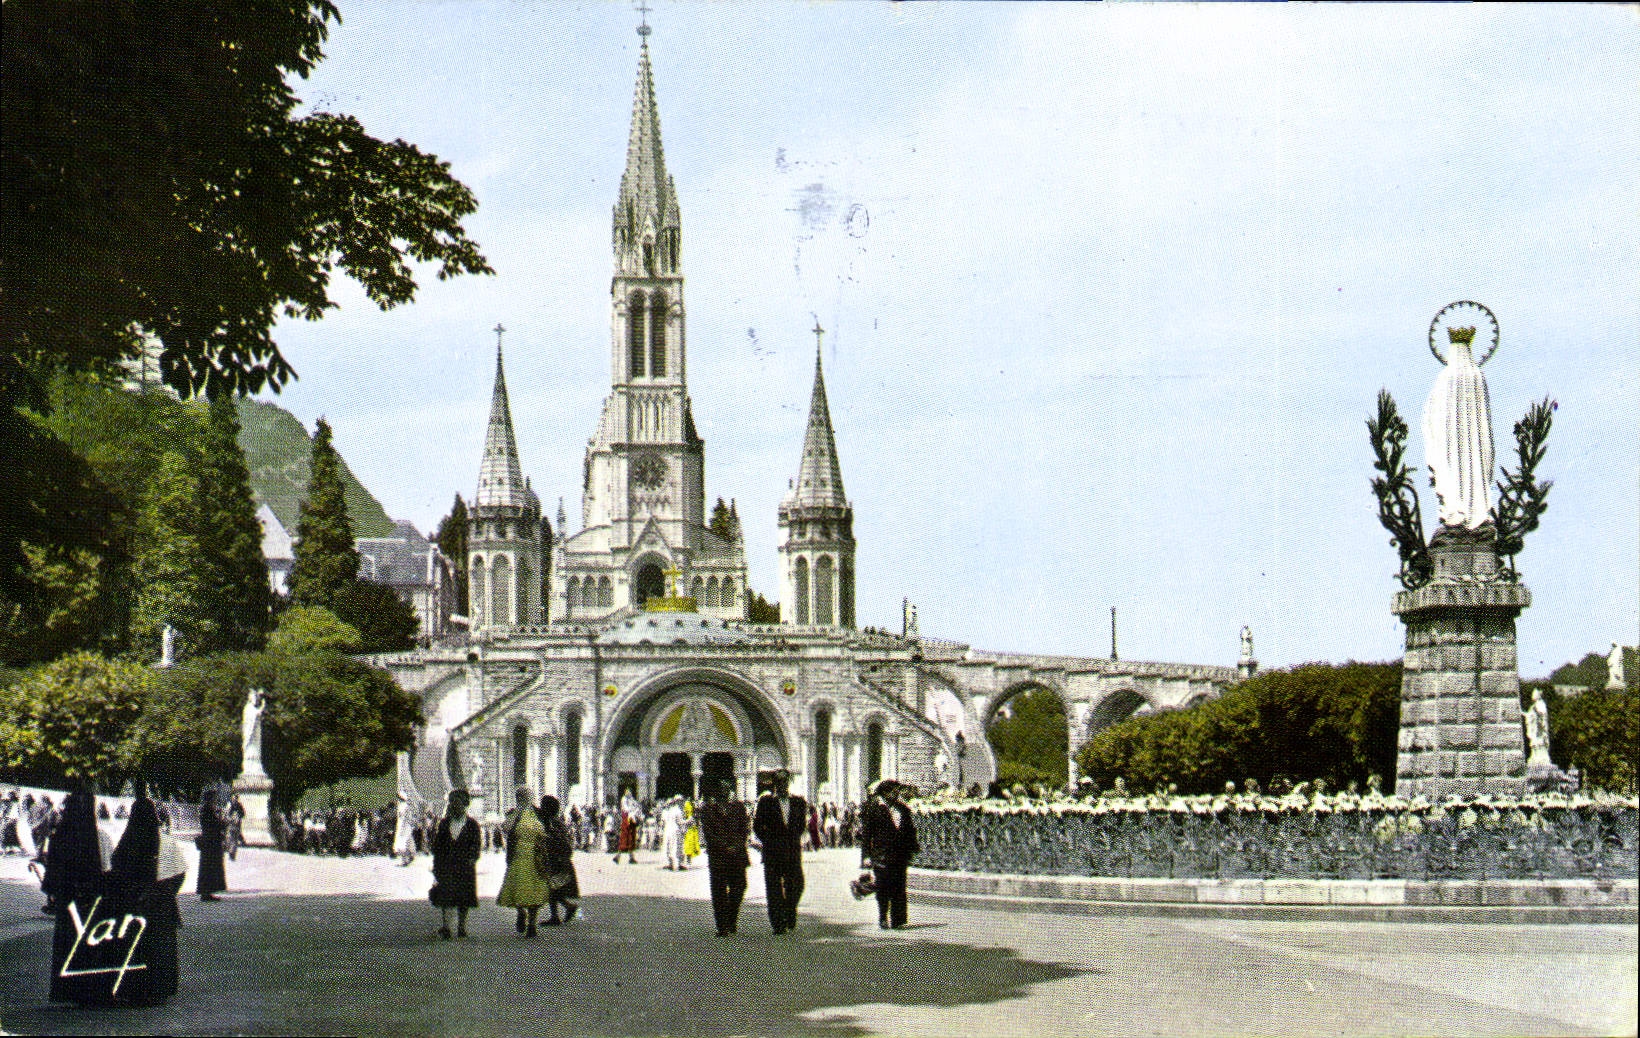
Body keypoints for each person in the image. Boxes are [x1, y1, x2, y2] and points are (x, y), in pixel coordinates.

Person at [103, 789, 182, 1004]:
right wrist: (165, 893)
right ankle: (159, 989)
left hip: (132, 905)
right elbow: (179, 874)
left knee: (135, 947)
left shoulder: (127, 841)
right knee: (159, 948)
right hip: (160, 905)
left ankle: (134, 990)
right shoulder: (165, 842)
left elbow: (116, 870)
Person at [44, 787, 109, 1002]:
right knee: (89, 942)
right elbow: (107, 868)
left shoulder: (60, 836)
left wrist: (54, 893)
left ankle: (67, 990)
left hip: (67, 899)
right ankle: (90, 990)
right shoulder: (97, 837)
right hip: (90, 898)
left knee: (67, 942)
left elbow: (53, 871)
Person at [751, 769, 808, 935]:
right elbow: (757, 826)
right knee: (774, 888)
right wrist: (768, 841)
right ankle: (778, 923)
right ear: (774, 784)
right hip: (773, 852)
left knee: (797, 885)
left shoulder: (798, 802)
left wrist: (793, 838)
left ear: (788, 783)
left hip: (792, 851)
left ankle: (789, 910)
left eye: (785, 782)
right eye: (779, 783)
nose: (782, 786)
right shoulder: (766, 802)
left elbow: (801, 825)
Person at [860, 779, 920, 929]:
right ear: (885, 793)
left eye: (897, 791)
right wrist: (866, 856)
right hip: (881, 855)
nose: (896, 793)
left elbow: (910, 830)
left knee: (899, 886)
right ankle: (883, 917)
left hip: (900, 855)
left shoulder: (903, 809)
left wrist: (912, 848)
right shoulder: (873, 809)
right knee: (883, 887)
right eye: (893, 791)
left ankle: (898, 920)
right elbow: (867, 834)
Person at [496, 785, 551, 937]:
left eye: (526, 796)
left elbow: (547, 831)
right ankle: (522, 913)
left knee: (533, 890)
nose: (525, 799)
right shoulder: (515, 813)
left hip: (535, 856)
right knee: (519, 887)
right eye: (521, 797)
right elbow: (505, 828)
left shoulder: (538, 813)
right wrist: (516, 813)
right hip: (519, 856)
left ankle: (531, 923)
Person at [698, 778, 750, 936]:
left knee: (739, 887)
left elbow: (744, 830)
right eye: (721, 788)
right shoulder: (708, 810)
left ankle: (731, 918)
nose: (725, 790)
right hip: (718, 856)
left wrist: (736, 845)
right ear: (716, 791)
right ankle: (722, 926)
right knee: (719, 891)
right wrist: (725, 847)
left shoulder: (739, 808)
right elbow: (708, 834)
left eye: (727, 787)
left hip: (737, 855)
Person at [430, 789, 479, 939]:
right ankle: (446, 926)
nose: (454, 806)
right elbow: (438, 846)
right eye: (452, 803)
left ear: (465, 805)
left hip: (465, 866)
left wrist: (472, 858)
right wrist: (437, 865)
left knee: (464, 898)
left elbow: (476, 844)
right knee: (446, 896)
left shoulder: (472, 825)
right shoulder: (444, 824)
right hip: (447, 865)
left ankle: (461, 926)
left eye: (458, 803)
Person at [537, 795, 579, 925]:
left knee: (552, 887)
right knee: (553, 888)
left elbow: (553, 840)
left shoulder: (551, 823)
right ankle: (561, 911)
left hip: (556, 860)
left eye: (543, 806)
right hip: (558, 859)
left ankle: (563, 910)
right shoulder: (555, 821)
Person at [196, 786, 228, 901]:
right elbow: (213, 825)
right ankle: (206, 892)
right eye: (214, 797)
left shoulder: (208, 809)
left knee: (209, 867)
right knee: (209, 867)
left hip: (210, 842)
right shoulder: (207, 810)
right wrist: (223, 823)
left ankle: (207, 892)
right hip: (210, 842)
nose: (215, 800)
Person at [614, 790, 642, 865]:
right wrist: (634, 809)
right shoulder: (624, 800)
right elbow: (626, 809)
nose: (629, 793)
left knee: (631, 839)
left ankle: (630, 857)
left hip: (632, 820)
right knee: (625, 839)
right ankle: (619, 856)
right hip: (627, 820)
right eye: (627, 792)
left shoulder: (632, 800)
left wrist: (636, 810)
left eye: (630, 792)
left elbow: (637, 807)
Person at [660, 795, 687, 870]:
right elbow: (680, 822)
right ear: (678, 802)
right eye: (681, 801)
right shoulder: (678, 811)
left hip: (668, 830)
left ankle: (671, 864)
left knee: (669, 847)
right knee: (676, 847)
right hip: (675, 830)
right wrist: (688, 821)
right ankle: (676, 865)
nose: (682, 802)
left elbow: (663, 822)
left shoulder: (668, 811)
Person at [393, 793, 417, 865]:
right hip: (406, 826)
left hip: (404, 826)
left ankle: (405, 860)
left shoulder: (404, 806)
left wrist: (403, 827)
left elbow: (406, 818)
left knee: (403, 842)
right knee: (408, 841)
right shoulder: (404, 806)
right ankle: (411, 855)